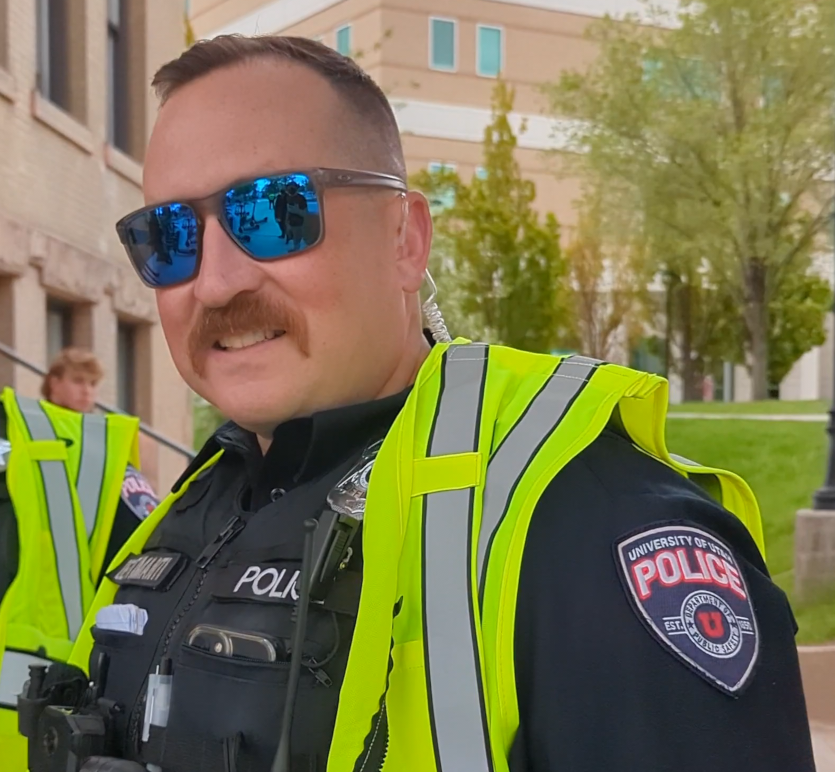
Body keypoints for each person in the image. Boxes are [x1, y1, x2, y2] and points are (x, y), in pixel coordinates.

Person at [28, 36, 812, 772]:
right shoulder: (192, 506)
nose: (215, 282)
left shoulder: (584, 524)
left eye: (271, 213)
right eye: (167, 236)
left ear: (404, 239)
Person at [0, 348, 160, 766]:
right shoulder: (97, 452)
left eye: (93, 384)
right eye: (77, 381)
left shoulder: (103, 451)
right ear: (53, 383)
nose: (87, 392)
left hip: (49, 679)